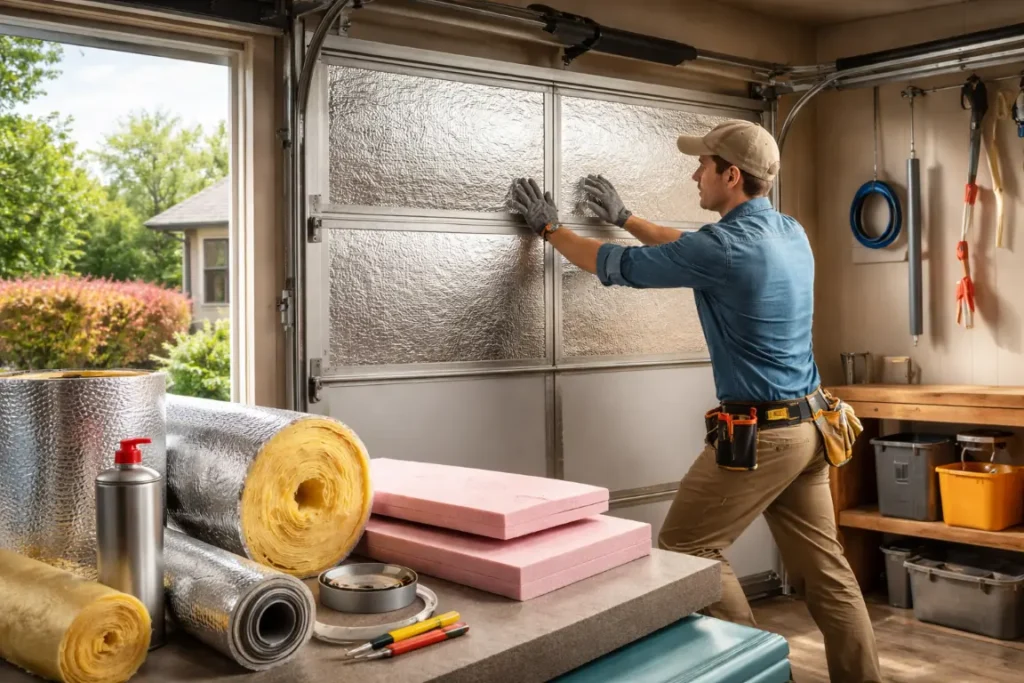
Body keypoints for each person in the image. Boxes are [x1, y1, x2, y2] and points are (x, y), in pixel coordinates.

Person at [511, 119, 882, 683]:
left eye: (703, 164)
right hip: (811, 428)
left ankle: (757, 667)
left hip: (763, 437)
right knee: (829, 576)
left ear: (731, 175)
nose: (694, 173)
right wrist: (625, 218)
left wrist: (551, 229)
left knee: (688, 547)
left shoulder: (725, 247)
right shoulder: (789, 232)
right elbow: (690, 251)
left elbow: (619, 267)